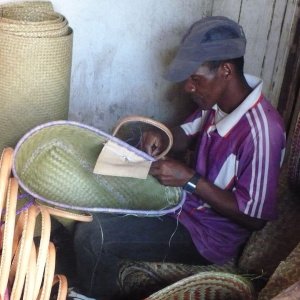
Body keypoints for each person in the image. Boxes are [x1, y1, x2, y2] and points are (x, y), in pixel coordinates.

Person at [73, 16, 286, 299]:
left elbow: (254, 217)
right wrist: (163, 136)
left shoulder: (263, 132)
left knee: (93, 235)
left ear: (225, 70)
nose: (188, 87)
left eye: (196, 79)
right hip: (183, 203)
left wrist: (190, 181)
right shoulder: (219, 102)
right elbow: (186, 131)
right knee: (132, 138)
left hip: (206, 235)